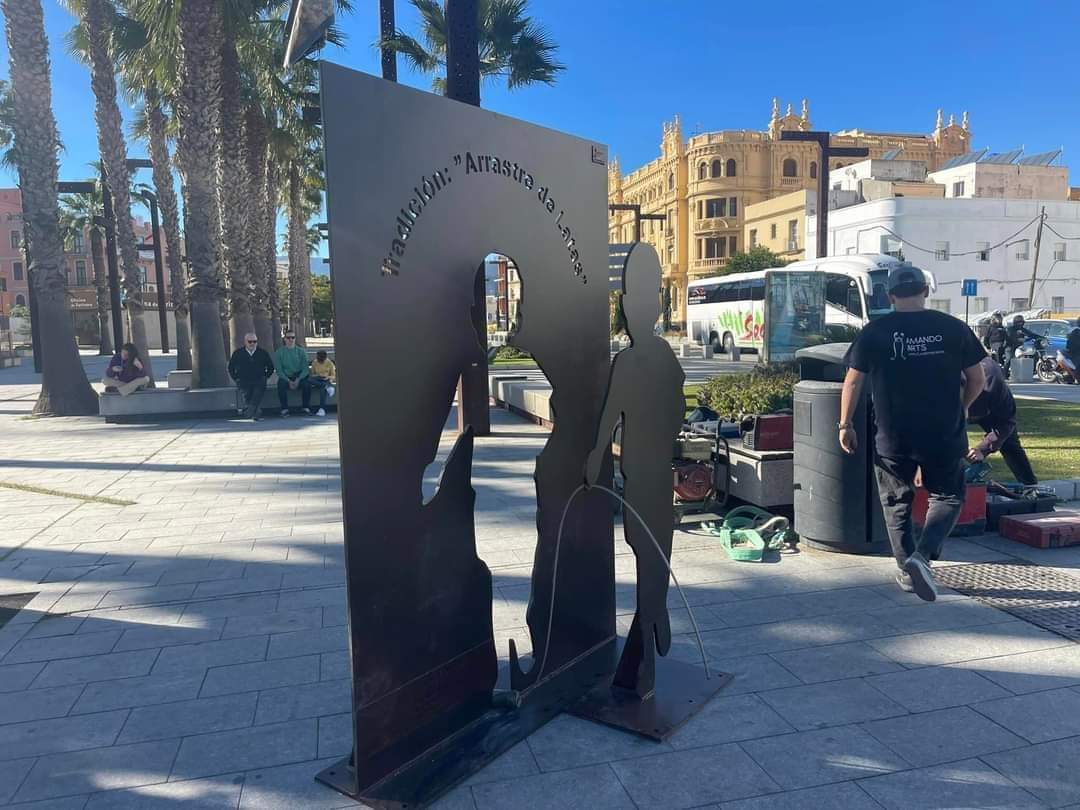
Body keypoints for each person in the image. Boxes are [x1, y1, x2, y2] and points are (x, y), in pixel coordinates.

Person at [840, 265, 986, 602]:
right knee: (948, 495)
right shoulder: (953, 328)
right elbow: (977, 379)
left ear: (890, 296)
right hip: (943, 432)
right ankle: (924, 555)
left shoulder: (875, 331)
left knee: (896, 502)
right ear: (926, 291)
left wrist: (845, 424)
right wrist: (962, 407)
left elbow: (853, 380)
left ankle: (907, 570)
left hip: (893, 434)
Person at [585, 243, 685, 698]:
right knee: (654, 545)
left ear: (627, 309)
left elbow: (609, 417)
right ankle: (656, 610)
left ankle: (649, 627)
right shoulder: (666, 355)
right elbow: (679, 409)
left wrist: (594, 456)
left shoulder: (627, 361)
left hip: (643, 472)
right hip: (659, 469)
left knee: (644, 546)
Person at [967, 355, 1037, 484]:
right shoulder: (945, 380)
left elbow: (1007, 421)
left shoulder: (994, 384)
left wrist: (983, 449)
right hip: (953, 408)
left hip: (990, 410)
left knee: (1009, 444)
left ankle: (1030, 489)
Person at [228, 332, 275, 421]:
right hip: (243, 380)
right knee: (246, 393)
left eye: (255, 341)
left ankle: (250, 411)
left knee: (258, 391)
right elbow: (231, 367)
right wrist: (236, 378)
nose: (252, 344)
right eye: (250, 341)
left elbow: (270, 367)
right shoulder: (238, 353)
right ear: (245, 342)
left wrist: (266, 376)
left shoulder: (262, 353)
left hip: (259, 379)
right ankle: (255, 411)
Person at [274, 331, 311, 416]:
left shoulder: (301, 351)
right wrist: (288, 381)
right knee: (281, 385)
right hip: (286, 376)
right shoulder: (279, 352)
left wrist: (298, 379)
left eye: (293, 337)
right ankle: (284, 409)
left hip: (299, 376)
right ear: (284, 339)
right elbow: (279, 370)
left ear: (295, 339)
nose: (290, 339)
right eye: (288, 338)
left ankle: (305, 407)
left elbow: (305, 369)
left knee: (307, 385)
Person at [308, 350, 337, 416]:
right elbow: (313, 374)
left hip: (326, 379)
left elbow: (333, 375)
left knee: (322, 389)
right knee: (309, 380)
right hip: (318, 379)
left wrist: (328, 377)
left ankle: (322, 409)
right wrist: (318, 376)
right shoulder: (314, 362)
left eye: (322, 360)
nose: (320, 361)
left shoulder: (329, 363)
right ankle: (327, 387)